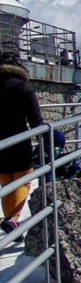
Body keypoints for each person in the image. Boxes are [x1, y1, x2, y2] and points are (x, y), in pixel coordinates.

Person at [0, 54, 44, 236]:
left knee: (6, 183)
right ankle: (13, 220)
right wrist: (43, 137)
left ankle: (11, 225)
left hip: (0, 143)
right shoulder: (24, 88)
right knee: (23, 181)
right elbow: (35, 119)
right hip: (19, 141)